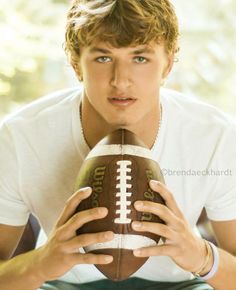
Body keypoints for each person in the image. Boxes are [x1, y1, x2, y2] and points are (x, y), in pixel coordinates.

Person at [0, 0, 235, 289]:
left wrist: (202, 256)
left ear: (168, 64)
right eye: (103, 58)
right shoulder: (20, 136)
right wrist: (40, 264)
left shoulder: (216, 135)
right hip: (61, 284)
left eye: (140, 59)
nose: (121, 81)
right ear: (76, 63)